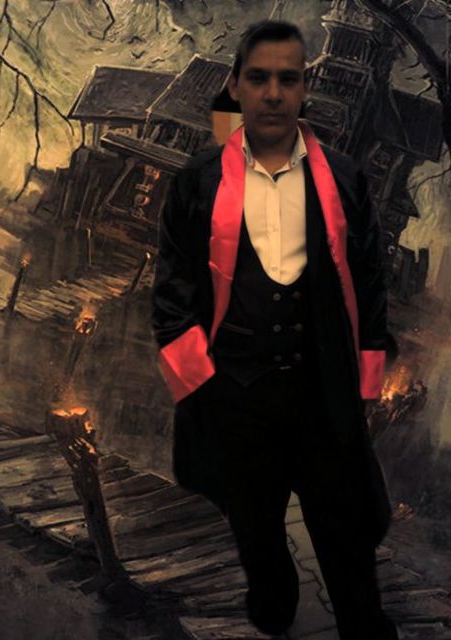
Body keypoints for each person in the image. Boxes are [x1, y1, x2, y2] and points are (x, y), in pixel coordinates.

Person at [151, 20, 399, 640]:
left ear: (304, 89)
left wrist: (366, 381)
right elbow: (173, 294)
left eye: (288, 79)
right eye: (258, 78)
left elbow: (370, 282)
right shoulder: (198, 180)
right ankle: (274, 591)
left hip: (323, 397)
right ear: (235, 85)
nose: (272, 93)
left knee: (348, 544)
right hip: (235, 396)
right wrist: (201, 389)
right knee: (256, 531)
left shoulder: (344, 178)